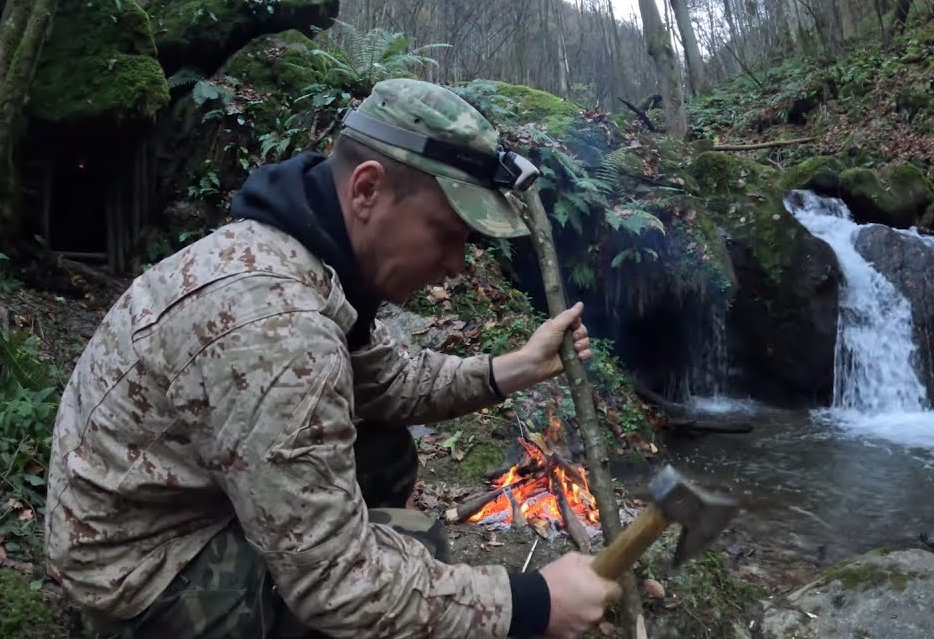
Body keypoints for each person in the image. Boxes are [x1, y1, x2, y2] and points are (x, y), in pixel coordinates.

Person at [43, 77, 622, 639]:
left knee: (382, 453)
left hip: (178, 503)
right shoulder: (276, 324)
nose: (455, 264)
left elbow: (389, 381)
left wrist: (515, 367)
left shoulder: (306, 256)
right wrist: (531, 604)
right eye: (446, 234)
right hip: (139, 574)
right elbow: (337, 581)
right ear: (367, 189)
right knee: (416, 548)